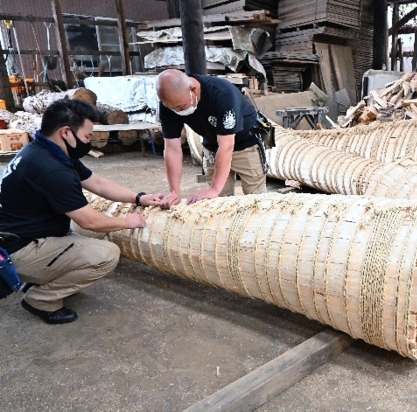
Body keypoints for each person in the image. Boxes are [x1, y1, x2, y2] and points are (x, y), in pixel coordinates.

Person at [0, 100, 163, 324]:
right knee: (106, 255)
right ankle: (41, 299)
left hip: (24, 234)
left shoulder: (48, 150)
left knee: (96, 234)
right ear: (66, 132)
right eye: (87, 137)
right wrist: (128, 221)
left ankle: (44, 274)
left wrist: (139, 197)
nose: (89, 141)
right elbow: (89, 221)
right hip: (15, 251)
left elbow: (96, 182)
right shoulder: (49, 168)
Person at [155, 69, 266, 207]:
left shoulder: (223, 93)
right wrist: (174, 191)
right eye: (173, 109)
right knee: (217, 204)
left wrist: (214, 189)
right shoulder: (170, 103)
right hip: (212, 144)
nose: (177, 111)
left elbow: (226, 146)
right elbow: (172, 148)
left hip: (245, 143)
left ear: (193, 90)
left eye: (181, 106)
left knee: (256, 201)